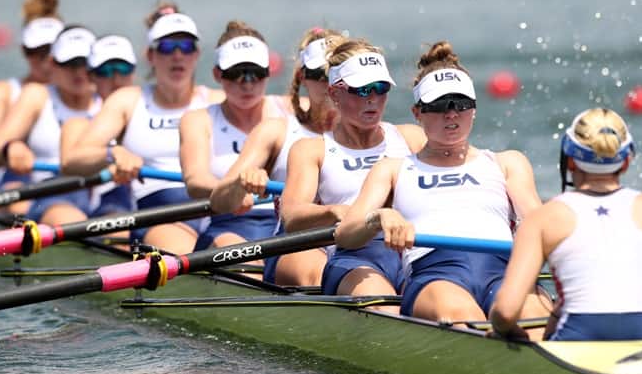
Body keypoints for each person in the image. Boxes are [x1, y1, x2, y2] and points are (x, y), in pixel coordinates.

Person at [335, 41, 546, 325]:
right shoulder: (393, 169)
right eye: (439, 105)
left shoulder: (508, 163)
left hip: (504, 270)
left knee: (533, 319)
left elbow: (539, 224)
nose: (451, 114)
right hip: (437, 274)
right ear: (417, 113)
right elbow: (346, 234)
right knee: (464, 317)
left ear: (474, 109)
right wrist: (380, 217)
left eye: (460, 104)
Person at [490, 108, 642, 341]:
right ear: (626, 161)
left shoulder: (542, 219)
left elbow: (505, 311)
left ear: (570, 161)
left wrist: (511, 334)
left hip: (573, 341)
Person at [62, 2, 224, 254]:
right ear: (151, 56)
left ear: (197, 54)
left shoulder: (216, 101)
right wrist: (112, 154)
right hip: (157, 215)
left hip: (219, 209)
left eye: (186, 46)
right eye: (168, 47)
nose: (178, 55)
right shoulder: (128, 100)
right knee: (195, 253)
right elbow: (73, 159)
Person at [280, 37, 426, 308]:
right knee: (390, 308)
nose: (372, 99)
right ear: (335, 93)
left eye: (380, 88)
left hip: (413, 252)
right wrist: (336, 211)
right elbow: (291, 216)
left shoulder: (411, 138)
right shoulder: (312, 150)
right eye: (361, 90)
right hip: (353, 255)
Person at [208, 27, 341, 285]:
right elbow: (220, 199)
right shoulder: (276, 130)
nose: (329, 85)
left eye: (337, 75)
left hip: (355, 246)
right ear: (303, 77)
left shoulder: (383, 135)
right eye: (320, 75)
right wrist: (241, 182)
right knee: (320, 275)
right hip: (298, 247)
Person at [179, 20, 296, 251]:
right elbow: (195, 181)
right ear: (216, 74)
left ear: (268, 72)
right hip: (230, 223)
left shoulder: (295, 110)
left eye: (256, 74)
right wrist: (234, 189)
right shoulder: (198, 120)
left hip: (291, 225)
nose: (247, 84)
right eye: (236, 74)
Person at [0, 25, 102, 225]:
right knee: (68, 219)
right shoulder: (37, 95)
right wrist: (9, 147)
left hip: (103, 195)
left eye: (86, 63)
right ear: (52, 64)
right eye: (71, 63)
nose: (80, 71)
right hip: (45, 194)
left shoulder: (112, 99)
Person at [0, 0, 63, 213]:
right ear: (24, 51)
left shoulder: (85, 90)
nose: (47, 61)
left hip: (71, 183)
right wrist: (8, 148)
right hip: (17, 183)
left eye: (52, 51)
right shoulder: (2, 92)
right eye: (38, 52)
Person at [60, 34, 139, 218]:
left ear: (133, 72)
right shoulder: (79, 126)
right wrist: (112, 155)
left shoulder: (153, 119)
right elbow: (68, 165)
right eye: (106, 71)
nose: (116, 79)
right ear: (90, 76)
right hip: (105, 207)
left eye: (123, 69)